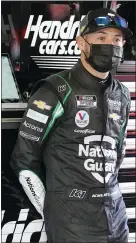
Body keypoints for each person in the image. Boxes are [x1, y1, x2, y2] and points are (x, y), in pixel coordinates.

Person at [10, 8, 133, 243]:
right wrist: (51, 209)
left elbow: (118, 154)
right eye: (101, 38)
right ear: (81, 43)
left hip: (116, 217)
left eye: (117, 39)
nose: (111, 45)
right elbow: (23, 161)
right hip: (72, 223)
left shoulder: (122, 94)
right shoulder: (55, 90)